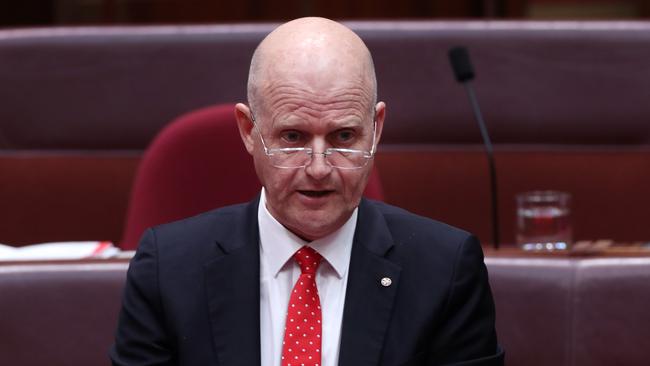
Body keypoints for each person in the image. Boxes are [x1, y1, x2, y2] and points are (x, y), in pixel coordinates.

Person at [110, 17, 503, 366]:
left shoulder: (445, 270)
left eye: (344, 136)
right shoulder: (169, 269)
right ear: (250, 131)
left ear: (376, 129)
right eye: (293, 137)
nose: (318, 168)